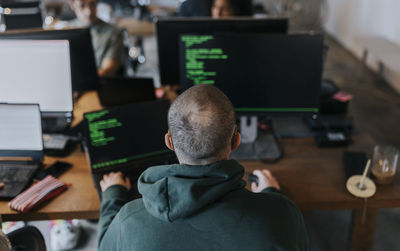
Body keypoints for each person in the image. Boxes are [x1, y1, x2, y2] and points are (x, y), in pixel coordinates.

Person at [98, 84, 309, 250]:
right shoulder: (282, 215)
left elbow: (104, 247)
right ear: (236, 140)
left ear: (169, 141)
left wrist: (112, 195)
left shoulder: (129, 220)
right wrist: (270, 194)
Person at [68, 0, 125, 77]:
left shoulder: (113, 33)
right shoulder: (65, 30)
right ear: (71, 4)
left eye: (92, 4)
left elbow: (107, 71)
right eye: (82, 5)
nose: (89, 11)